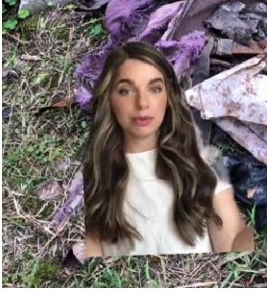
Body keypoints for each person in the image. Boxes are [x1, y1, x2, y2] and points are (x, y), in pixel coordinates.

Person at [83, 42, 254, 257]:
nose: (142, 103)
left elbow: (232, 246)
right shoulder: (96, 176)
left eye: (155, 89)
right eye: (126, 90)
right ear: (109, 98)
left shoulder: (201, 163)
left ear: (169, 100)